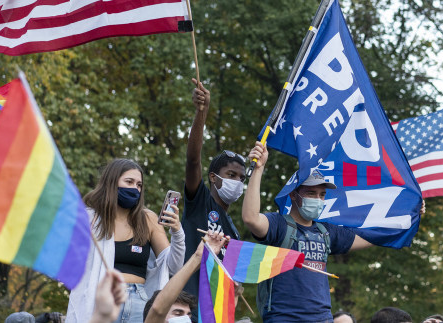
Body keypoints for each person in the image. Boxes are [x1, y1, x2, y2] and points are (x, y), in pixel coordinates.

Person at [242, 142, 374, 322]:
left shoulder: (326, 231)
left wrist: (410, 218)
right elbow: (251, 218)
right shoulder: (279, 224)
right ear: (293, 194)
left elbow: (373, 238)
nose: (318, 199)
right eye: (311, 193)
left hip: (322, 318)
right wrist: (258, 169)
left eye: (322, 195)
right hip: (284, 318)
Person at [67, 159, 186, 323]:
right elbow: (70, 264)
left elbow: (174, 266)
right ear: (111, 182)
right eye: (129, 182)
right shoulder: (90, 218)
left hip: (139, 302)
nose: (135, 189)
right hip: (103, 300)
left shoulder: (148, 219)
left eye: (139, 185)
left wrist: (177, 232)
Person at [181, 79, 246, 295]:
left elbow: (233, 275)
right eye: (231, 175)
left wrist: (237, 288)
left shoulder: (234, 232)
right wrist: (202, 112)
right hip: (187, 304)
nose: (236, 182)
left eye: (241, 178)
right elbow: (192, 160)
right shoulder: (200, 201)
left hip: (216, 312)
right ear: (213, 178)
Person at [143, 230, 227, 323]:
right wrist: (198, 256)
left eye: (188, 315)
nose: (186, 319)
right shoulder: (156, 314)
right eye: (178, 314)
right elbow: (158, 308)